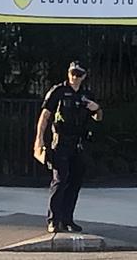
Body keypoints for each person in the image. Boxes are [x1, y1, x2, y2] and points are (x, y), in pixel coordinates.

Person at [33, 60, 103, 233]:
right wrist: (39, 139)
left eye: (78, 74)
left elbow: (98, 118)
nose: (74, 77)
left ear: (84, 76)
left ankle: (67, 219)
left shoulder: (87, 95)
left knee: (75, 182)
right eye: (72, 73)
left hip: (78, 143)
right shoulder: (59, 91)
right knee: (60, 179)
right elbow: (45, 116)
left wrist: (97, 109)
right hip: (61, 142)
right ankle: (53, 220)